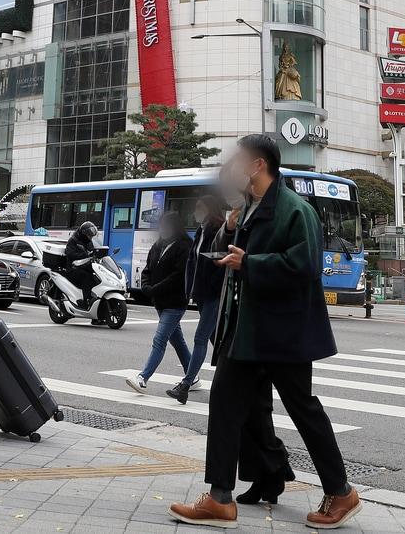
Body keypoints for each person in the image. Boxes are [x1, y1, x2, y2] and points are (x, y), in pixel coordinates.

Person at [169, 135, 360, 530]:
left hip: (285, 332)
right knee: (224, 401)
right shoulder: (248, 207)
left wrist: (251, 262)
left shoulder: (295, 209)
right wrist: (228, 233)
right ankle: (220, 498)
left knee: (303, 409)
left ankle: (341, 492)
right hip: (248, 332)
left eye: (239, 159)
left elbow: (305, 265)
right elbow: (234, 255)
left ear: (258, 165)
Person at [168, 194, 230, 404]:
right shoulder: (201, 230)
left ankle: (186, 385)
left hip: (212, 293)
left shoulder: (219, 230)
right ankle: (232, 378)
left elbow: (219, 262)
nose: (195, 211)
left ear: (209, 208)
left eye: (199, 207)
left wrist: (211, 286)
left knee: (200, 338)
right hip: (201, 293)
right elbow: (193, 262)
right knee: (214, 339)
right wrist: (190, 289)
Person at [126, 212, 192, 393]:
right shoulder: (158, 245)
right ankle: (192, 376)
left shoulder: (184, 246)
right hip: (160, 301)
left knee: (160, 339)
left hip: (175, 301)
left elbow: (177, 277)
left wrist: (155, 289)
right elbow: (147, 269)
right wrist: (146, 286)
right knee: (177, 340)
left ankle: (143, 378)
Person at [63, 221, 101, 310]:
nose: (90, 237)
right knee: (87, 277)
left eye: (91, 236)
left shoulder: (88, 241)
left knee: (97, 277)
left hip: (85, 266)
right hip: (73, 268)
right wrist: (85, 255)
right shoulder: (73, 240)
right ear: (84, 233)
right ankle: (86, 301)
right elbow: (70, 254)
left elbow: (92, 251)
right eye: (89, 235)